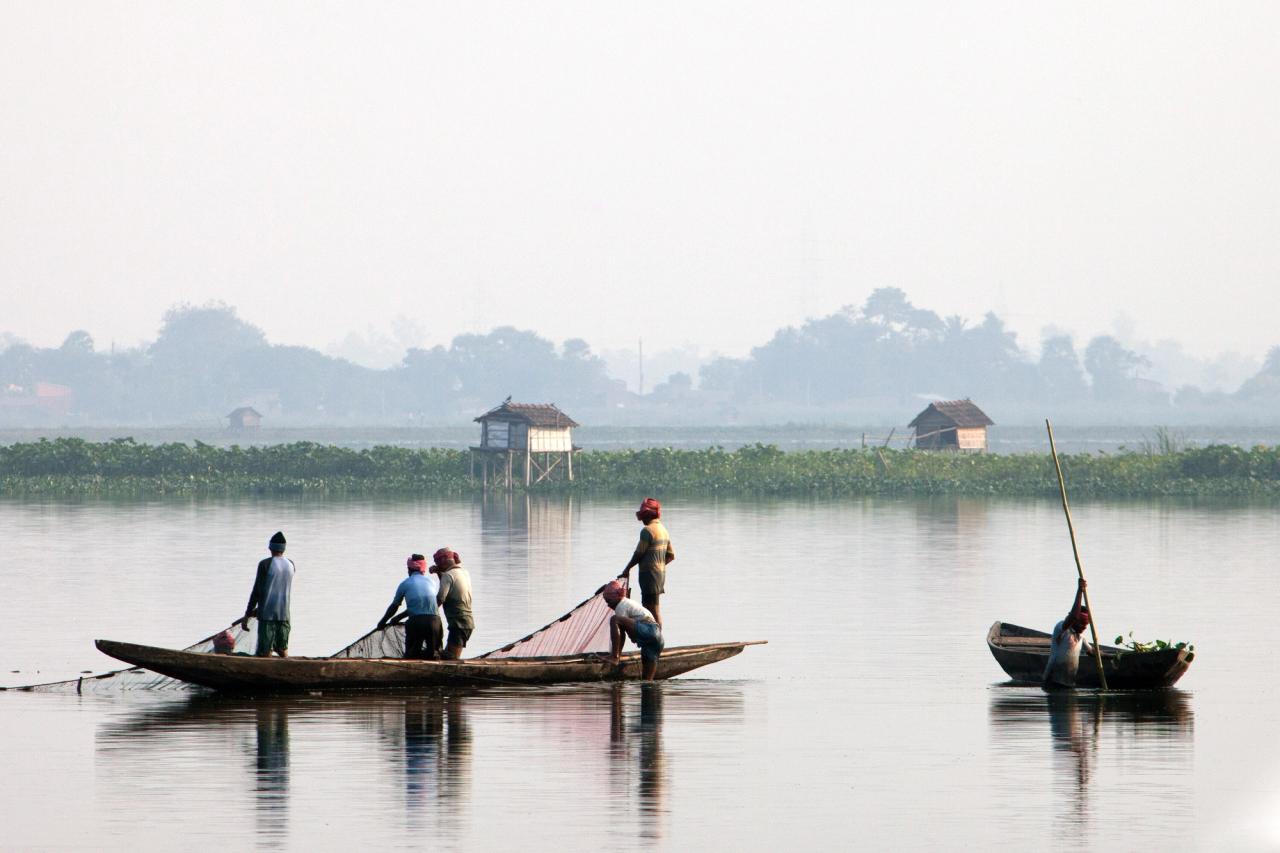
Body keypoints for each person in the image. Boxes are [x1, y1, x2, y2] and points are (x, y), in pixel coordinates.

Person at [241, 531, 296, 657]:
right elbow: (278, 586)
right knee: (282, 649)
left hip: (267, 615)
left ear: (270, 547)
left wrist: (247, 614)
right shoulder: (291, 564)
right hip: (284, 614)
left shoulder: (265, 564)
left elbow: (257, 591)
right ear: (283, 549)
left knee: (265, 652)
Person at [622, 497, 675, 628]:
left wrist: (627, 569)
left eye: (643, 516)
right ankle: (655, 636)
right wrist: (659, 565)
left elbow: (638, 554)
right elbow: (671, 555)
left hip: (649, 576)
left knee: (651, 610)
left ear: (649, 515)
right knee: (652, 608)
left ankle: (656, 637)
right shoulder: (663, 529)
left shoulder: (647, 530)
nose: (642, 520)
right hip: (659, 575)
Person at [378, 554, 443, 660]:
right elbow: (420, 607)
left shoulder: (405, 584)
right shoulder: (431, 582)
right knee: (433, 654)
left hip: (416, 623)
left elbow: (394, 606)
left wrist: (382, 622)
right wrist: (398, 617)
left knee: (411, 655)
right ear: (423, 570)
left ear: (409, 570)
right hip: (435, 622)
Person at [602, 579, 664, 681]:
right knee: (647, 681)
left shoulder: (621, 605)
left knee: (614, 619)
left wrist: (616, 655)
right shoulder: (627, 602)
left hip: (649, 630)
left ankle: (614, 657)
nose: (608, 605)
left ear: (616, 597)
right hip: (658, 638)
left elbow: (621, 635)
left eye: (609, 601)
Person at [1043, 578, 1093, 689]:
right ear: (1074, 621)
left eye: (1086, 625)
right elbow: (1073, 616)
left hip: (1068, 683)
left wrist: (1115, 657)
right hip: (1053, 682)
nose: (1084, 627)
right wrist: (1080, 591)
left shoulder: (1080, 637)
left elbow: (1093, 652)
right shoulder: (1061, 628)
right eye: (1081, 624)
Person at [432, 547, 474, 661]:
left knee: (451, 660)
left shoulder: (448, 575)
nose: (436, 565)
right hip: (466, 622)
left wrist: (429, 612)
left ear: (443, 561)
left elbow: (441, 598)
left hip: (459, 623)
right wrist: (438, 572)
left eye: (437, 562)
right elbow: (449, 586)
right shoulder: (464, 572)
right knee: (447, 656)